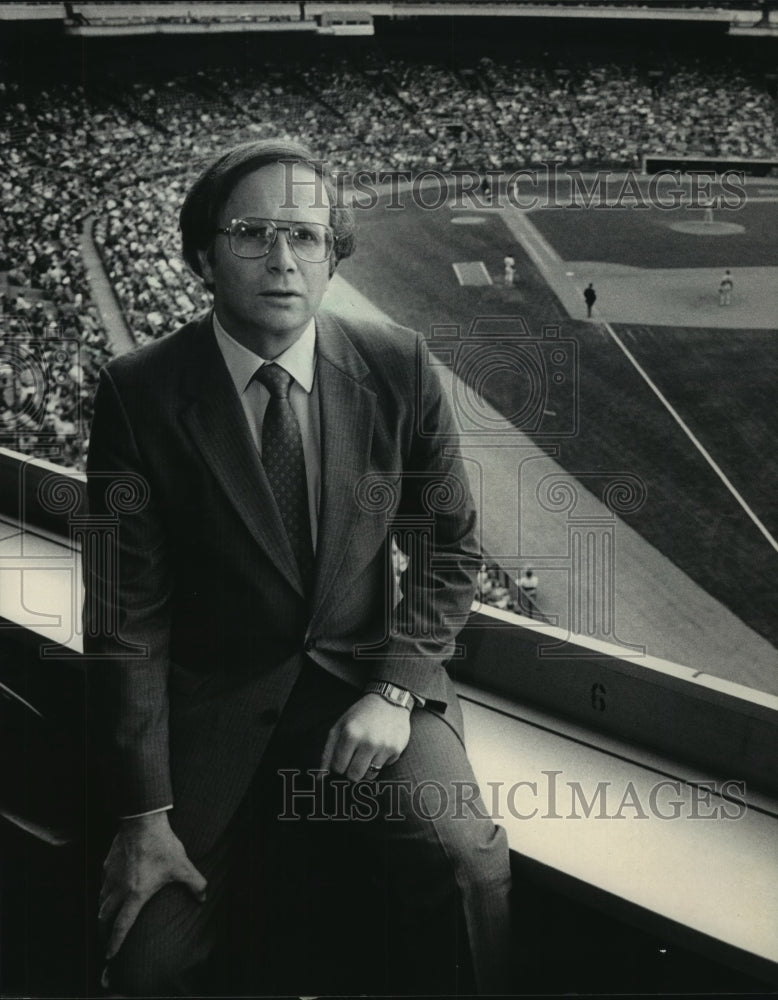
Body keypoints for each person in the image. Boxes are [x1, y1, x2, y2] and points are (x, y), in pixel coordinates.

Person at [84, 139, 512, 996]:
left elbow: (449, 545)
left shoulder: (398, 363)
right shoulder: (138, 391)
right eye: (251, 233)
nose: (283, 259)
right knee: (147, 965)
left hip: (367, 688)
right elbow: (126, 620)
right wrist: (142, 815)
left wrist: (395, 691)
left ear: (331, 253)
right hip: (212, 709)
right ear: (204, 254)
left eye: (307, 236)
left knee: (467, 862)